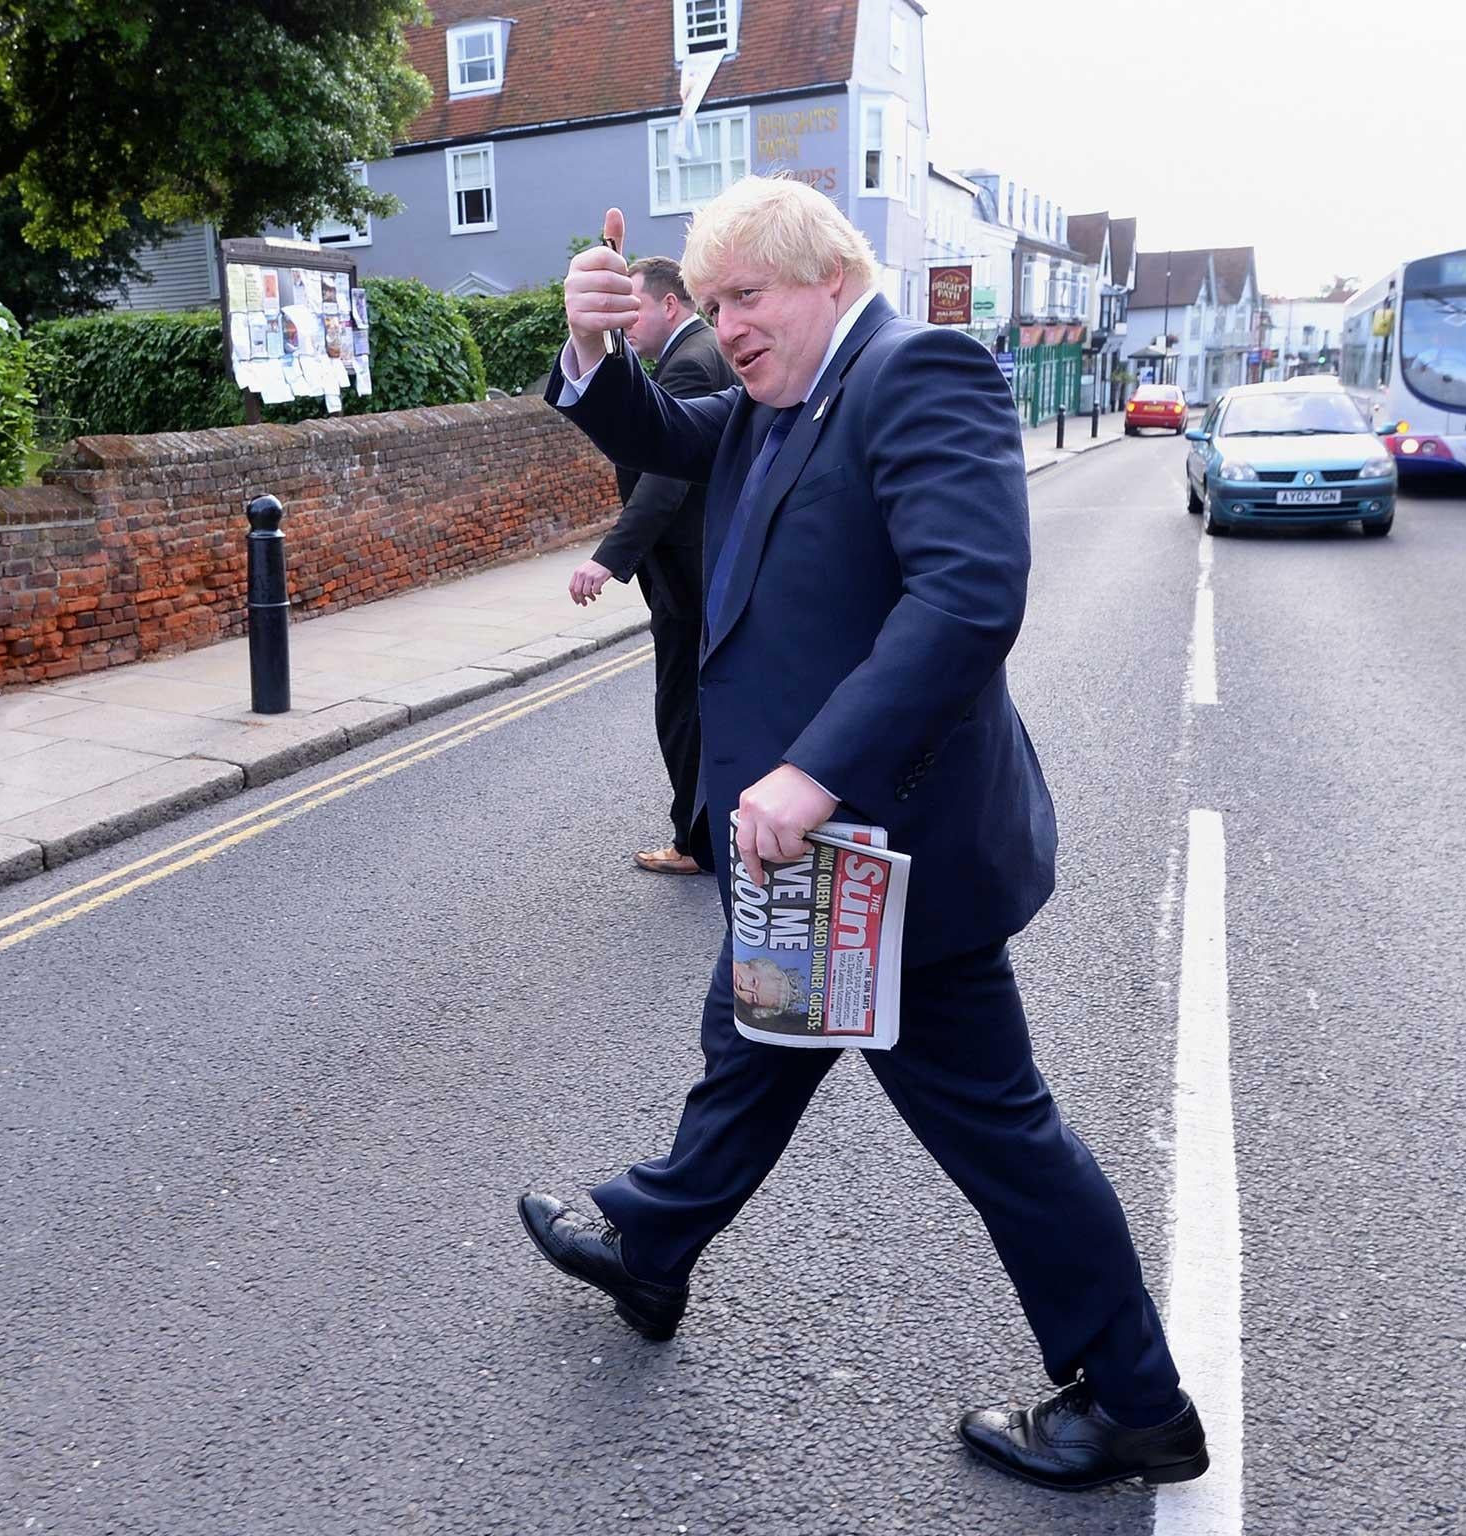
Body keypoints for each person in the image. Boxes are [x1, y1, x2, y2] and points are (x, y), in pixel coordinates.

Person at [517, 180, 1207, 1493]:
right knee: (755, 1043)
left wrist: (815, 774)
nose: (725, 328)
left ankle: (1138, 1402)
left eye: (746, 299)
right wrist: (595, 347)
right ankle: (651, 1249)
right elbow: (662, 426)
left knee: (997, 1131)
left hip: (890, 856)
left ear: (829, 277)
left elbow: (968, 596)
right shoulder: (781, 399)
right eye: (710, 306)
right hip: (813, 865)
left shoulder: (914, 371)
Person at [567, 256, 736, 876]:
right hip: (704, 567)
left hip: (686, 572)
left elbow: (663, 474)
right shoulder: (699, 353)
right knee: (701, 703)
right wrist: (592, 340)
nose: (630, 322)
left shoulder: (692, 362)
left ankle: (696, 844)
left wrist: (610, 558)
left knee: (682, 709)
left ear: (670, 305)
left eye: (635, 308)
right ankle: (713, 833)